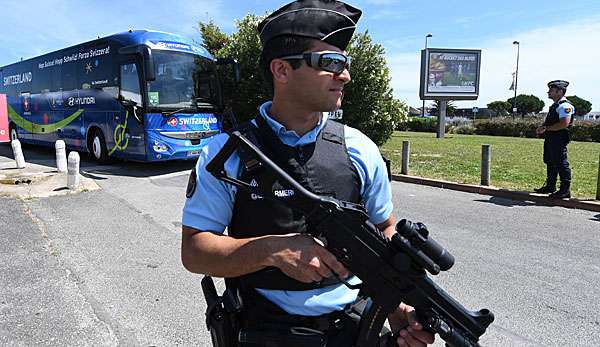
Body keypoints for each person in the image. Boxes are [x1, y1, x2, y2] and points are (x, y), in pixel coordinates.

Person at [181, 1, 435, 346]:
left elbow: (384, 228)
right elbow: (195, 251)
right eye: (331, 63)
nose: (345, 75)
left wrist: (396, 307)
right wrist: (272, 250)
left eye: (345, 64)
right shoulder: (225, 153)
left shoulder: (360, 149)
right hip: (263, 331)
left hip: (356, 331)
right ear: (281, 70)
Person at [534, 80, 575, 199]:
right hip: (551, 138)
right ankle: (550, 186)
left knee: (561, 163)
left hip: (559, 139)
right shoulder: (556, 105)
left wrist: (546, 128)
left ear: (560, 91)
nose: (548, 92)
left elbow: (564, 124)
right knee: (550, 161)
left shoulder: (565, 106)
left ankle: (565, 190)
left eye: (551, 90)